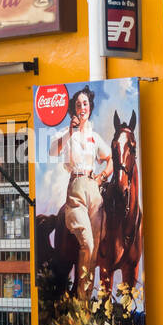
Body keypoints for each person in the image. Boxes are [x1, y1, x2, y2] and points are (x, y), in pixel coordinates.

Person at [48, 86, 112, 299]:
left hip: (93, 188)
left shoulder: (94, 136)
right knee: (88, 242)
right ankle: (81, 299)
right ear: (73, 110)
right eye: (78, 104)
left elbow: (110, 159)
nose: (82, 107)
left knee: (95, 249)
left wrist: (101, 176)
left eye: (85, 104)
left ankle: (83, 302)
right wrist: (70, 131)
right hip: (75, 187)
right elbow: (52, 151)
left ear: (90, 108)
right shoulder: (67, 133)